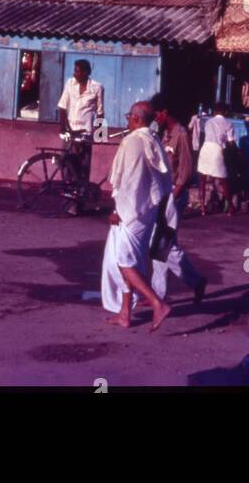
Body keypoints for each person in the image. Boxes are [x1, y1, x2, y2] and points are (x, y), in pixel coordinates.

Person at [101, 101, 173, 331]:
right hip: (147, 210)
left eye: (128, 116)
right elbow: (161, 182)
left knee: (123, 262)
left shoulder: (133, 141)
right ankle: (125, 314)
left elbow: (127, 181)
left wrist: (117, 209)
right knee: (129, 260)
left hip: (131, 212)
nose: (126, 120)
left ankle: (157, 304)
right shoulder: (153, 140)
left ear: (135, 118)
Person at [149, 94, 206, 304]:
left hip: (174, 194)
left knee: (164, 244)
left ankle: (195, 281)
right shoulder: (164, 133)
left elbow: (186, 169)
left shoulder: (181, 133)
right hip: (164, 193)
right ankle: (159, 292)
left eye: (156, 113)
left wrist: (173, 196)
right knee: (161, 244)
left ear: (164, 112)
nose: (154, 118)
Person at [57, 59, 104, 209]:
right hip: (70, 132)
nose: (75, 73)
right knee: (67, 167)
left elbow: (100, 113)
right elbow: (62, 107)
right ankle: (66, 202)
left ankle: (78, 205)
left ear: (86, 72)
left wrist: (99, 135)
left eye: (78, 71)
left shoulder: (97, 88)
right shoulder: (70, 84)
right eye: (74, 70)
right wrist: (63, 128)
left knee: (83, 169)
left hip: (85, 133)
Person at [197, 102, 236, 216]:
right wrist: (236, 150)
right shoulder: (228, 123)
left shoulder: (208, 121)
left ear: (214, 111)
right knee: (223, 180)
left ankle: (203, 208)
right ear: (225, 112)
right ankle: (230, 208)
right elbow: (231, 141)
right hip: (217, 150)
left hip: (205, 149)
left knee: (203, 180)